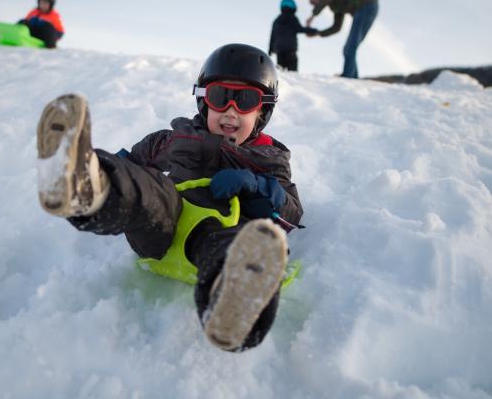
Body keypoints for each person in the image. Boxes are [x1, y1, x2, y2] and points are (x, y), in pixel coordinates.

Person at [36, 43, 303, 352]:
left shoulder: (268, 159)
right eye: (220, 96)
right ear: (204, 101)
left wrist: (256, 185)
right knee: (144, 190)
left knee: (233, 247)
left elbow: (291, 214)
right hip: (163, 216)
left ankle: (235, 305)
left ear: (263, 111)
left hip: (217, 228)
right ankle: (83, 185)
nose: (230, 110)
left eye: (245, 100)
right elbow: (130, 163)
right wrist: (107, 170)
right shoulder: (174, 139)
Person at [306, 0, 379, 78]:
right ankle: (353, 78)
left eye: (314, 3)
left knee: (350, 47)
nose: (315, 6)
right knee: (349, 48)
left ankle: (348, 77)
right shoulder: (334, 5)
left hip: (366, 3)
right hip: (366, 9)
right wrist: (318, 33)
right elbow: (337, 27)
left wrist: (312, 16)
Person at [268, 0, 318, 71]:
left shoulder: (276, 21)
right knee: (293, 72)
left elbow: (272, 37)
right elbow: (300, 29)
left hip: (279, 50)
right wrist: (313, 30)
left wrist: (270, 50)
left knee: (281, 72)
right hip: (290, 50)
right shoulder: (292, 18)